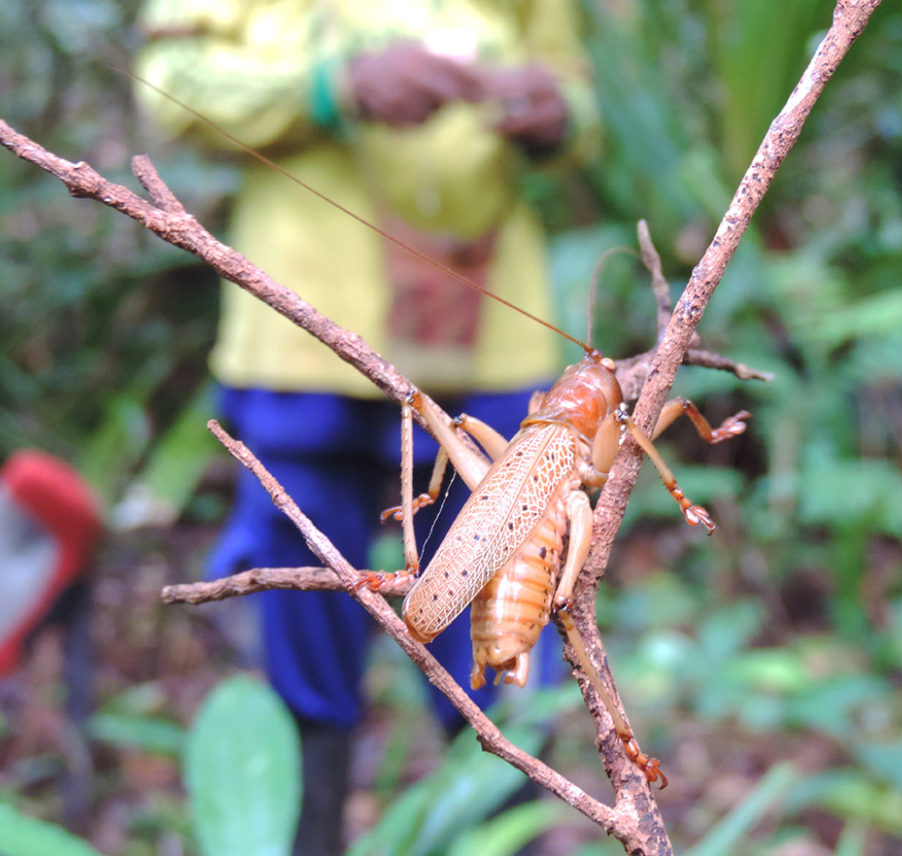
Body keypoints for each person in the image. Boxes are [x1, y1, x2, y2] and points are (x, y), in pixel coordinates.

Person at [135, 2, 598, 852]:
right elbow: (171, 86)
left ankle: (505, 822)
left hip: (492, 352)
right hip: (305, 345)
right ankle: (306, 830)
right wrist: (329, 88)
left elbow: (577, 101)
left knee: (504, 620)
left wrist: (552, 115)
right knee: (303, 612)